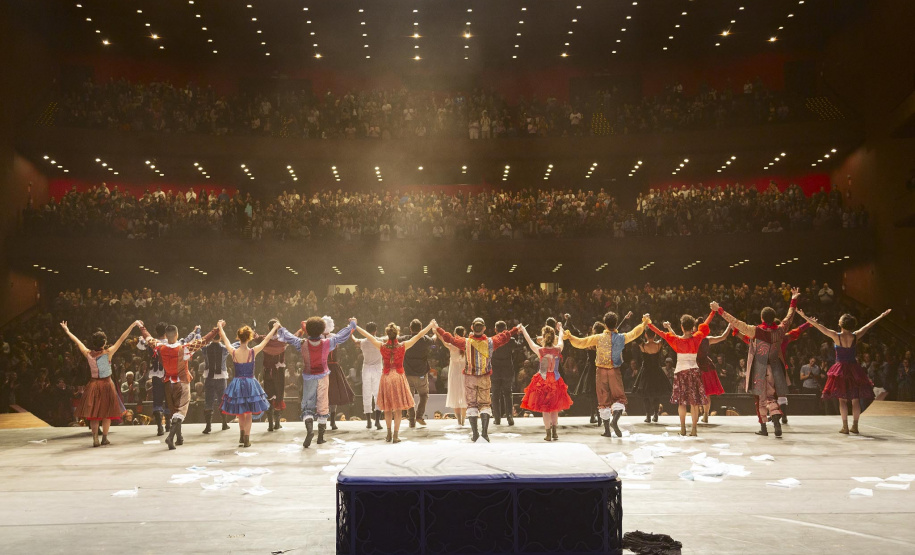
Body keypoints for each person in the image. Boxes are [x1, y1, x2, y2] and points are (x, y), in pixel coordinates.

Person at [712, 288, 800, 438]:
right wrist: (793, 299)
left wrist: (719, 310)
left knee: (760, 399)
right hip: (775, 369)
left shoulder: (755, 331)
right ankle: (776, 418)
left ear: (761, 317)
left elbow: (735, 321)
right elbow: (789, 316)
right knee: (772, 397)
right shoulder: (780, 330)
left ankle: (764, 427)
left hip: (759, 369)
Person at [797, 308, 891, 434]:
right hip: (854, 369)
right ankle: (855, 426)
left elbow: (818, 326)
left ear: (841, 323)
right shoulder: (855, 335)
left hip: (841, 369)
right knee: (855, 399)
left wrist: (804, 316)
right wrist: (881, 315)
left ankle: (845, 427)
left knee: (842, 399)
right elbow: (869, 325)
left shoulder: (836, 336)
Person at [434, 317, 522, 442]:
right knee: (485, 404)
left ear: (472, 328)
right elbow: (505, 336)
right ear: (484, 328)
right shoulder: (491, 342)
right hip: (484, 378)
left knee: (472, 404)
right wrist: (515, 329)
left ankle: (475, 434)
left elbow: (450, 339)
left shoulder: (466, 342)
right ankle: (484, 434)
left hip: (470, 378)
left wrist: (438, 328)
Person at [564, 311, 650, 438]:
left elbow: (582, 342)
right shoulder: (621, 337)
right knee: (619, 397)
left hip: (601, 371)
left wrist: (570, 337)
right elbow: (635, 333)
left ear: (605, 324)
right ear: (615, 323)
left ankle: (607, 430)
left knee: (603, 399)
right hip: (614, 371)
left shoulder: (598, 338)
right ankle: (614, 421)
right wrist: (644, 324)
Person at [274, 316, 355, 448]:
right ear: (322, 329)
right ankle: (321, 438)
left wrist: (280, 327)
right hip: (323, 376)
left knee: (307, 405)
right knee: (323, 404)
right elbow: (341, 336)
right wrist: (352, 324)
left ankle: (310, 431)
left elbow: (289, 337)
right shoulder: (327, 343)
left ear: (308, 330)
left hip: (309, 376)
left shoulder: (302, 343)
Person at [138, 322, 218, 450]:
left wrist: (141, 326)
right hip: (182, 382)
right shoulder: (183, 349)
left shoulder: (160, 347)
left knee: (174, 411)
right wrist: (217, 328)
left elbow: (148, 338)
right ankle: (170, 437)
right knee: (181, 411)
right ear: (177, 335)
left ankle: (179, 437)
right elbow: (203, 340)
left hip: (168, 383)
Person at [354, 320, 437, 443]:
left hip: (386, 377)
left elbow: (368, 336)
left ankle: (388, 434)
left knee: (387, 408)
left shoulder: (382, 346)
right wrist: (430, 325)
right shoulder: (403, 346)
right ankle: (395, 436)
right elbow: (419, 335)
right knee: (397, 409)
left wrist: (355, 326)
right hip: (398, 376)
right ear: (396, 333)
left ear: (387, 334)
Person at [60, 320, 137, 447]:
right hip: (107, 384)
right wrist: (132, 326)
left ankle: (95, 439)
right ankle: (104, 438)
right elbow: (122, 338)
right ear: (104, 342)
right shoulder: (108, 353)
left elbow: (77, 341)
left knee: (94, 415)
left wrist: (67, 331)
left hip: (93, 385)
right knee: (107, 413)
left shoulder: (88, 353)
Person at [647, 313, 713, 437]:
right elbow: (705, 325)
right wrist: (713, 312)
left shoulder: (677, 340)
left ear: (682, 327)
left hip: (681, 372)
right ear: (693, 326)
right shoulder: (697, 337)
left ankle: (683, 429)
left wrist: (648, 323)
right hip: (694, 371)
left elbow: (660, 333)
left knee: (682, 403)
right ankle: (694, 429)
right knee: (694, 403)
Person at [216, 319, 278, 447]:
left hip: (237, 383)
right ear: (249, 338)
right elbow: (266, 340)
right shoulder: (252, 351)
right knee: (248, 412)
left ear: (238, 337)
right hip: (250, 383)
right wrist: (275, 327)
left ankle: (241, 434)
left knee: (240, 411)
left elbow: (225, 339)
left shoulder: (233, 351)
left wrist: (220, 326)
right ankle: (247, 439)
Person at [519, 323, 573, 441]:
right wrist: (560, 330)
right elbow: (560, 339)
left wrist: (523, 330)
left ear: (543, 337)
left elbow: (529, 342)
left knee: (545, 409)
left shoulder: (540, 350)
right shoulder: (558, 349)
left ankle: (548, 433)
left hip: (542, 380)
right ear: (552, 337)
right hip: (555, 380)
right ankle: (555, 432)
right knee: (554, 408)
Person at [254, 319, 290, 432]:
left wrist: (253, 329)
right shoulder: (283, 340)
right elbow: (294, 337)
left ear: (269, 328)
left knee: (269, 395)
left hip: (267, 371)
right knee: (279, 395)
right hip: (279, 372)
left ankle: (270, 424)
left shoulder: (263, 339)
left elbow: (254, 336)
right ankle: (277, 423)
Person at [569, 320, 605, 426]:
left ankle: (593, 415)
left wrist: (571, 324)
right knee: (598, 394)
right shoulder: (602, 341)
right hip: (599, 368)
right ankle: (598, 416)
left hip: (590, 369)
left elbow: (579, 335)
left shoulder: (590, 340)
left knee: (592, 394)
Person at [401, 319, 434, 427]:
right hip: (421, 374)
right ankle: (419, 416)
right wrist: (435, 331)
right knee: (424, 395)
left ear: (410, 329)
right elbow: (434, 339)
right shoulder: (425, 339)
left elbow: (392, 339)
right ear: (421, 329)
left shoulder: (405, 339)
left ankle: (411, 419)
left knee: (410, 398)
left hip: (408, 374)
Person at [632, 331, 671, 424]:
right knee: (656, 394)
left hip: (646, 372)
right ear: (655, 335)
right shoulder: (659, 344)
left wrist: (644, 323)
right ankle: (656, 415)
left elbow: (635, 335)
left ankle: (648, 416)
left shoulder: (643, 345)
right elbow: (667, 336)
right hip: (656, 371)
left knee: (645, 394)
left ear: (645, 335)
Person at [323, 316, 354, 431]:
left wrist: (351, 326)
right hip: (323, 367)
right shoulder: (319, 337)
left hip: (332, 367)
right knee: (324, 395)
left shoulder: (334, 337)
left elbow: (347, 334)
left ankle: (331, 421)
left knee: (334, 395)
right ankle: (326, 420)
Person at [351, 322, 384, 430]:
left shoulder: (363, 342)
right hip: (377, 368)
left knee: (367, 394)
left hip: (367, 369)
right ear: (375, 330)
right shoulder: (380, 341)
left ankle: (369, 421)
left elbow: (355, 340)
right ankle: (377, 421)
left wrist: (350, 332)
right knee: (378, 394)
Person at [199, 328, 230, 435]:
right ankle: (224, 423)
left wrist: (198, 332)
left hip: (209, 377)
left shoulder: (205, 349)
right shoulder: (225, 349)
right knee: (222, 400)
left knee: (208, 401)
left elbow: (200, 342)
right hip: (221, 378)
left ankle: (208, 426)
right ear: (220, 337)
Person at [490, 320, 521, 426]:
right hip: (507, 370)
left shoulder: (492, 340)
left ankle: (497, 418)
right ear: (506, 330)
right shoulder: (511, 340)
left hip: (494, 371)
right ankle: (509, 417)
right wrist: (520, 335)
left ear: (495, 329)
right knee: (508, 394)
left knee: (495, 395)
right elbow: (520, 346)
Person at [145, 322, 171, 436]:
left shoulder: (152, 343)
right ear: (166, 332)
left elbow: (143, 342)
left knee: (157, 400)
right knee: (169, 400)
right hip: (168, 374)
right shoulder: (171, 343)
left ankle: (160, 426)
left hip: (156, 374)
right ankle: (168, 424)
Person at [440, 326, 468, 426]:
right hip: (464, 372)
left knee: (456, 396)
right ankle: (463, 421)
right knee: (464, 396)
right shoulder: (467, 343)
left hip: (454, 372)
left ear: (455, 334)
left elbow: (443, 340)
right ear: (464, 334)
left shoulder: (451, 345)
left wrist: (437, 333)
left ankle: (459, 422)